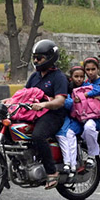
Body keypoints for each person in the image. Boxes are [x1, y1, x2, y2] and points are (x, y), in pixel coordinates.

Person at [25, 39, 69, 189]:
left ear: (50, 57)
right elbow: (24, 94)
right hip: (34, 114)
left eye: (40, 58)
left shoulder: (59, 77)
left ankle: (52, 172)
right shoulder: (34, 76)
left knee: (38, 135)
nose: (36, 61)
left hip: (53, 115)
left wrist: (44, 104)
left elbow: (60, 101)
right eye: (34, 57)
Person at [56, 66, 100, 179]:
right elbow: (67, 104)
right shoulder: (68, 89)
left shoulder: (87, 86)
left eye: (81, 77)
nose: (79, 79)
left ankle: (92, 156)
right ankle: (70, 164)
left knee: (89, 128)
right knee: (67, 134)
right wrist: (73, 100)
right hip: (76, 119)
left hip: (89, 117)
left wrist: (85, 95)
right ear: (71, 77)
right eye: (76, 76)